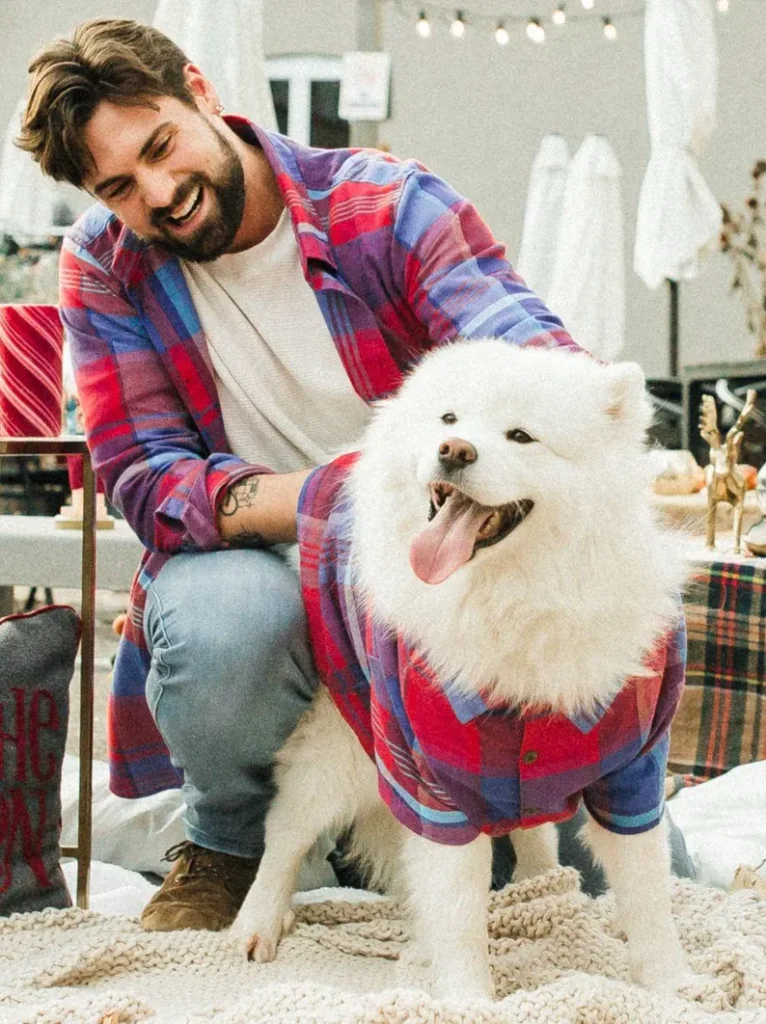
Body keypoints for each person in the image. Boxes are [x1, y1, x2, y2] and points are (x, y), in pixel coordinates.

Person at [19, 18, 691, 931]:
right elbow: (144, 477)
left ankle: (399, 818)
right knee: (223, 625)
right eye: (121, 187)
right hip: (274, 569)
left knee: (647, 870)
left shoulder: (387, 203)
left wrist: (587, 456)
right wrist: (342, 493)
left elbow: (524, 344)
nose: (161, 192)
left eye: (162, 146)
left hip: (446, 573)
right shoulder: (104, 263)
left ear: (199, 89)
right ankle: (226, 837)